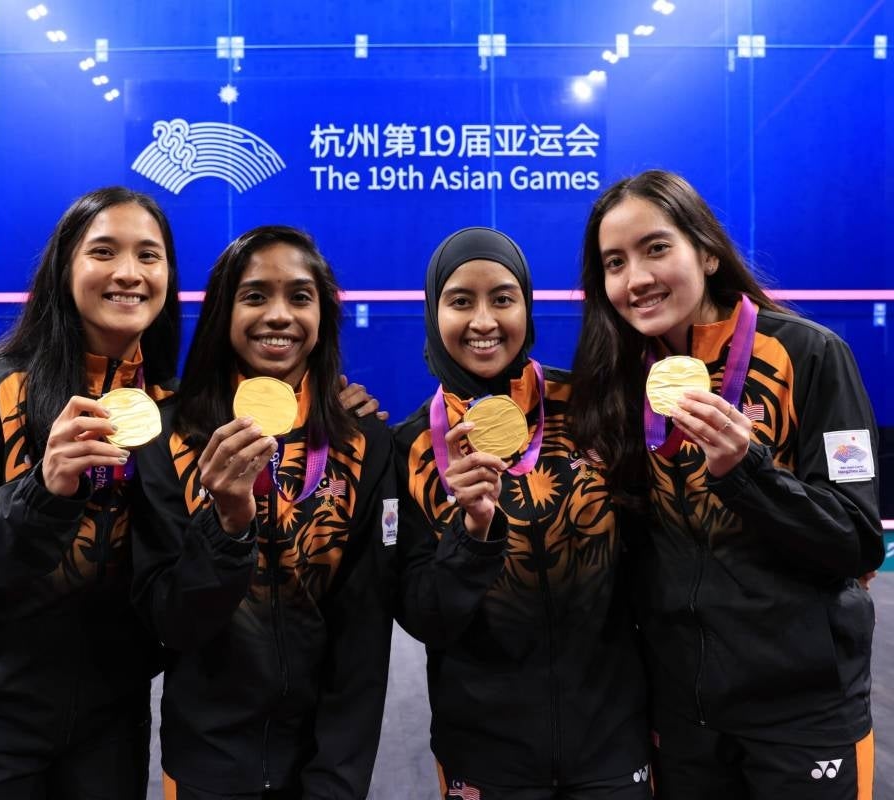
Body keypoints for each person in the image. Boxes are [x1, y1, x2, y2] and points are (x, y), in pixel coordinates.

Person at [570, 169, 884, 799]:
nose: (636, 279)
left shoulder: (811, 355)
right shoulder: (624, 381)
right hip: (685, 717)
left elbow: (856, 540)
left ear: (707, 252)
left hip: (802, 714)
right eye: (614, 262)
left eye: (656, 248)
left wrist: (747, 473)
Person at [0, 186, 180, 799]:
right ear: (65, 270)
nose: (129, 273)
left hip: (109, 722)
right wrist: (45, 492)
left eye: (150, 255)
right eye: (103, 252)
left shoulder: (172, 411)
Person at [132, 225, 396, 800]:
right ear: (223, 312)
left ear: (322, 314)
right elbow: (168, 622)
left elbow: (363, 636)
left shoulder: (364, 443)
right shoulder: (167, 436)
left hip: (324, 765)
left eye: (300, 296)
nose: (279, 315)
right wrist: (225, 527)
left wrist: (339, 777)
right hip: (208, 765)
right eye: (255, 296)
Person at [394, 227, 651, 800]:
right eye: (461, 300)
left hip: (612, 742)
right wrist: (472, 533)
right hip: (484, 755)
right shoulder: (408, 447)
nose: (484, 321)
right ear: (434, 313)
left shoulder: (591, 409)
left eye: (503, 298)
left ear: (527, 308)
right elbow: (422, 615)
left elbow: (649, 558)